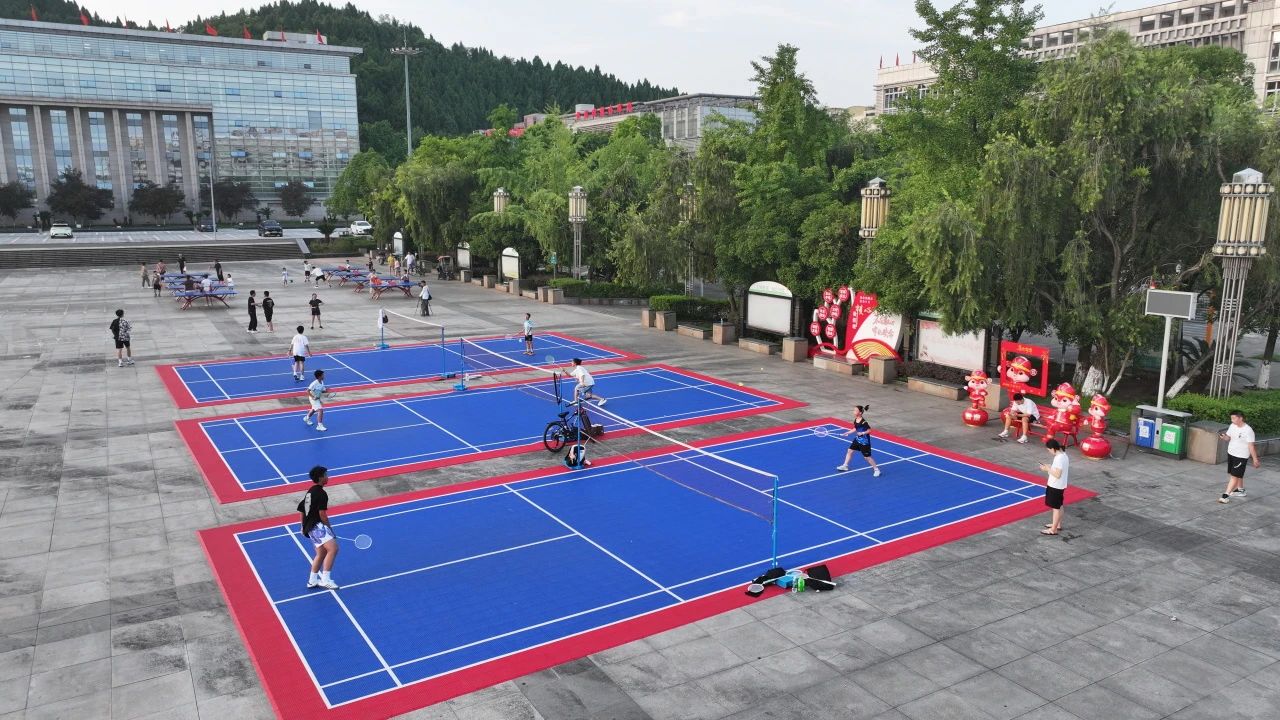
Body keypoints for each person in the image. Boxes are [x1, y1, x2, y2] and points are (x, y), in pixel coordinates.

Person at [298, 465, 339, 590]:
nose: (328, 477)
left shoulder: (311, 491)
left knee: (321, 553)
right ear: (321, 478)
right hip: (316, 526)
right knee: (333, 549)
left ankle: (312, 580)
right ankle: (325, 580)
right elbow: (322, 515)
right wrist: (330, 530)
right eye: (326, 475)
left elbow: (302, 509)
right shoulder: (321, 494)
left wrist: (302, 526)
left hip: (310, 527)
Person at [1219, 410, 1261, 503]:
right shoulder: (1232, 426)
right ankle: (1240, 490)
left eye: (1234, 418)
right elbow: (1228, 438)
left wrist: (1255, 459)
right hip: (1231, 453)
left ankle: (1225, 496)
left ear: (1240, 418)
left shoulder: (1248, 430)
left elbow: (1251, 446)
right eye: (1231, 418)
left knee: (1234, 476)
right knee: (1237, 473)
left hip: (1241, 456)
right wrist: (1224, 437)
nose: (1232, 420)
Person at [835, 404, 881, 475]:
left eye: (855, 410)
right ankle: (845, 466)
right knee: (850, 451)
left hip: (864, 442)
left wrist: (862, 433)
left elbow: (869, 430)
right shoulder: (856, 419)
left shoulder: (863, 422)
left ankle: (876, 469)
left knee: (867, 457)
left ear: (860, 412)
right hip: (857, 439)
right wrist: (847, 432)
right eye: (854, 410)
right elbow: (855, 428)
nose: (853, 411)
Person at [1039, 439, 1069, 535]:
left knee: (1056, 508)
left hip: (1055, 485)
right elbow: (1058, 471)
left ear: (1052, 448)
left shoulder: (1058, 458)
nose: (1049, 452)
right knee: (1059, 505)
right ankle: (1057, 524)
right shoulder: (1064, 455)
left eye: (1049, 450)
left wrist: (1047, 469)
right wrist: (1050, 467)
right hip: (1060, 485)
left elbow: (1057, 474)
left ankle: (1053, 529)